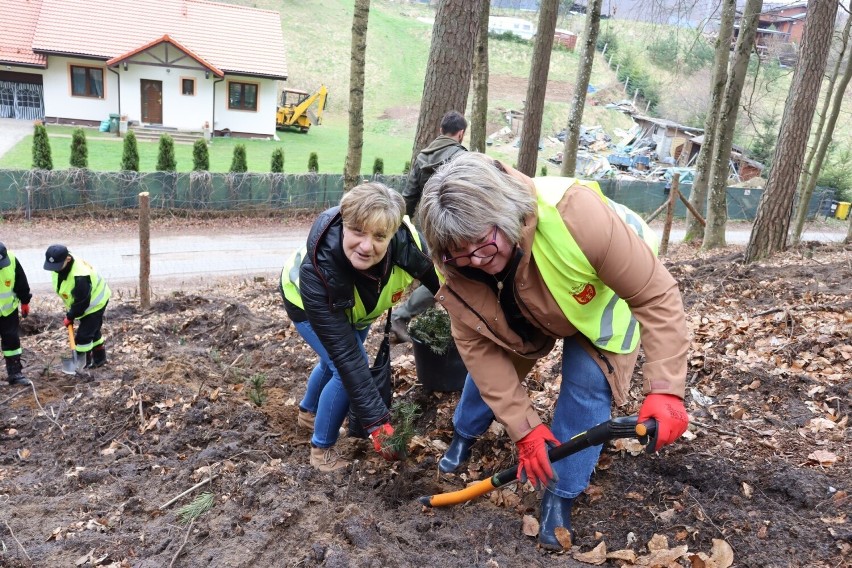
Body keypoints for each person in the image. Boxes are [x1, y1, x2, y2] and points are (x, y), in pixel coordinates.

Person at [416, 153, 689, 551]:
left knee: (588, 385)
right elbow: (478, 350)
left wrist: (666, 388)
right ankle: (464, 434)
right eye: (460, 251)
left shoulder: (576, 215)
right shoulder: (452, 254)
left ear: (507, 214)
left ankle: (559, 495)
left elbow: (655, 295)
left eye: (482, 244)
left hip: (599, 296)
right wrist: (524, 429)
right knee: (495, 366)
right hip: (524, 300)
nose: (475, 261)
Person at [279, 182, 440, 472]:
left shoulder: (411, 247)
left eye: (380, 236)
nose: (367, 246)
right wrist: (378, 424)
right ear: (343, 223)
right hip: (307, 303)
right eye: (357, 232)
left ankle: (308, 413)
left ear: (394, 233)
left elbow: (445, 285)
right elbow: (348, 360)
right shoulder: (317, 272)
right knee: (344, 367)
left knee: (333, 364)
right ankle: (322, 449)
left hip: (358, 310)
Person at [391, 110, 467, 343]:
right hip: (450, 227)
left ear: (440, 131)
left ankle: (435, 321)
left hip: (425, 227)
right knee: (448, 278)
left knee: (438, 275)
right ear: (461, 134)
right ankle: (402, 316)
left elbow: (410, 195)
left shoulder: (423, 156)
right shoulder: (461, 157)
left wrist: (398, 226)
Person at [43, 244, 111, 369]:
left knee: (83, 337)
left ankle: (82, 364)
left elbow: (82, 302)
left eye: (57, 266)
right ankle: (100, 359)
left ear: (68, 259)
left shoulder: (80, 276)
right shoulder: (60, 265)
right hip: (83, 302)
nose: (54, 269)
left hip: (96, 303)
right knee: (93, 331)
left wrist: (70, 316)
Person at [0, 243, 32, 386]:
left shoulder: (11, 259)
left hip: (8, 310)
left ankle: (15, 373)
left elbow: (21, 281)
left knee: (12, 340)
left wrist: (25, 301)